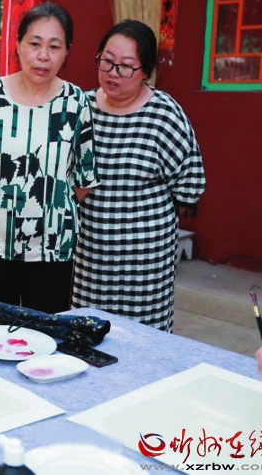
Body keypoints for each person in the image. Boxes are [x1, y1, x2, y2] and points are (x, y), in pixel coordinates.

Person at [0, 1, 100, 328]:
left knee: (47, 337)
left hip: (52, 247)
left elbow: (83, 178)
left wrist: (47, 210)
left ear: (67, 52)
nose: (43, 56)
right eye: (35, 44)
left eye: (54, 46)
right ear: (19, 44)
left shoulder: (76, 102)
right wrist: (1, 213)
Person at [72, 19, 206, 332]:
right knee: (86, 335)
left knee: (145, 341)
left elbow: (189, 185)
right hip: (89, 258)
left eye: (126, 66)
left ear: (146, 71)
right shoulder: (80, 108)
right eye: (107, 61)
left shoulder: (165, 115)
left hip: (146, 266)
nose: (113, 73)